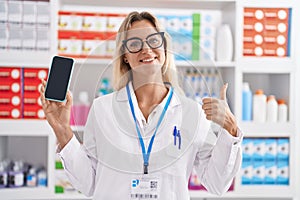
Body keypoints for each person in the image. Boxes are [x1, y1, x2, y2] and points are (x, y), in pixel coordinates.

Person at [40, 11, 243, 200]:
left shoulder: (192, 113)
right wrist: (63, 131)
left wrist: (230, 128)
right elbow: (89, 183)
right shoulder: (102, 108)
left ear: (164, 48)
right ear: (125, 56)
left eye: (154, 40)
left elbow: (217, 183)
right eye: (135, 43)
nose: (146, 49)